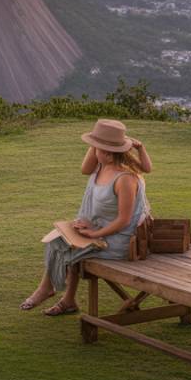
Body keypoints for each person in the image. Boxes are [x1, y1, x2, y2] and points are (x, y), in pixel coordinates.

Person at [20, 118, 153, 315]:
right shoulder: (101, 165)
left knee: (65, 246)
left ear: (108, 153)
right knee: (57, 239)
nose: (93, 149)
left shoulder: (126, 179)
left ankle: (47, 289)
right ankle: (68, 300)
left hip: (118, 240)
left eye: (96, 147)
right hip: (97, 228)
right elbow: (85, 169)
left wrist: (94, 233)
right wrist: (98, 142)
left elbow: (124, 221)